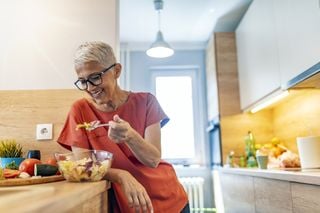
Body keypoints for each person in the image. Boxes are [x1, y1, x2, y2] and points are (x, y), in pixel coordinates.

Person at [57, 41, 189, 213]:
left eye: (95, 77)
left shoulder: (147, 102)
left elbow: (153, 159)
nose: (89, 88)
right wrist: (121, 175)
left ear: (116, 71)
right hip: (129, 204)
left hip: (170, 200)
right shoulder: (79, 110)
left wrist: (130, 136)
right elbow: (84, 166)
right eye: (83, 81)